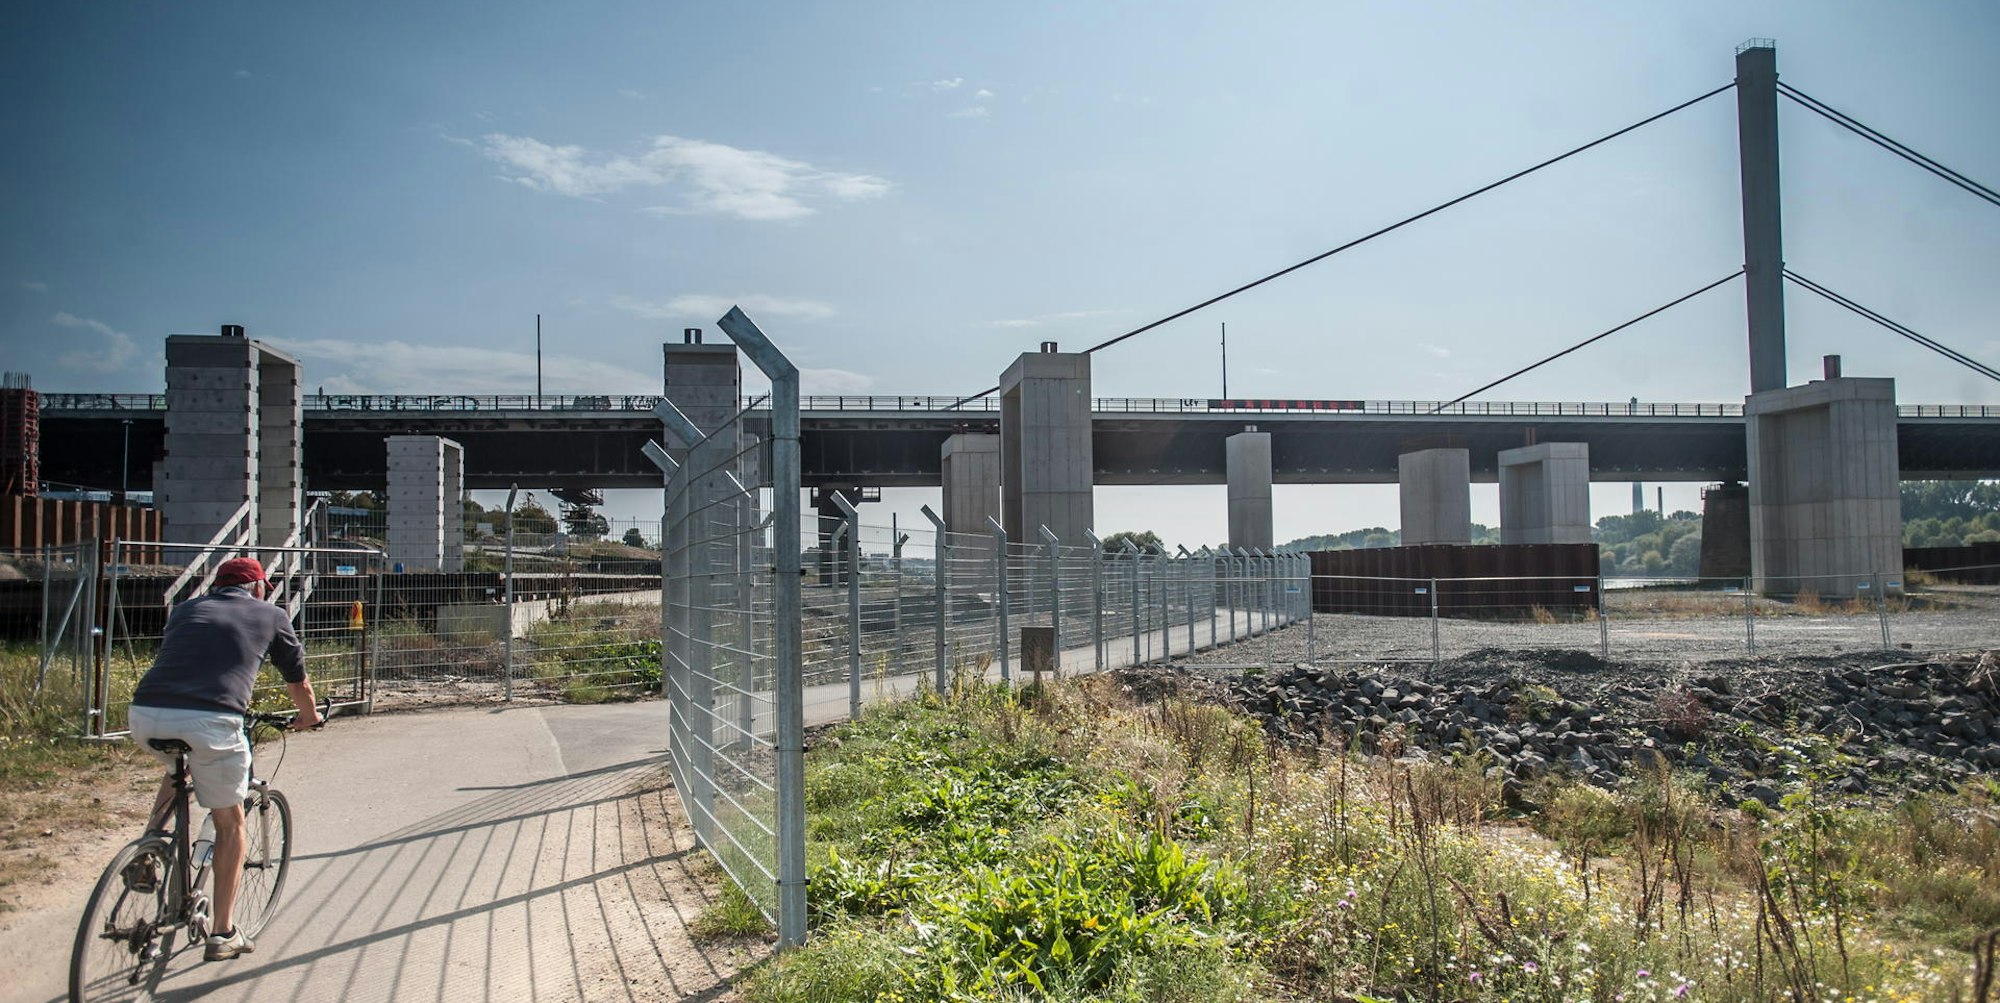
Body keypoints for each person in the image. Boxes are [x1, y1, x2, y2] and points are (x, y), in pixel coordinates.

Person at [128, 557, 320, 962]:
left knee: (176, 770)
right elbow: (298, 680)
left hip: (145, 714)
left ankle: (148, 849)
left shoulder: (185, 610)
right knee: (230, 824)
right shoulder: (270, 614)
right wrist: (309, 716)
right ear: (257, 587)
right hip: (212, 720)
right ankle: (223, 932)